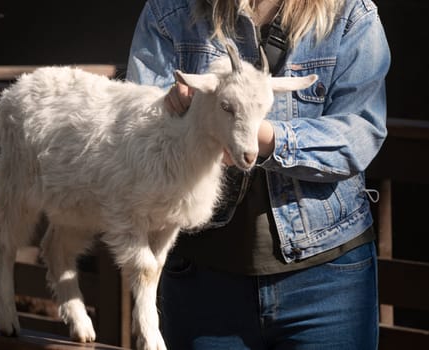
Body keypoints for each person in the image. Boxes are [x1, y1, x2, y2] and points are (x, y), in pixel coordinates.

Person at [127, 0, 390, 349]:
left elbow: (361, 133)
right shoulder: (170, 10)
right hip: (203, 277)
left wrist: (259, 138)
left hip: (327, 280)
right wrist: (175, 113)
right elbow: (135, 126)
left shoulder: (350, 14)